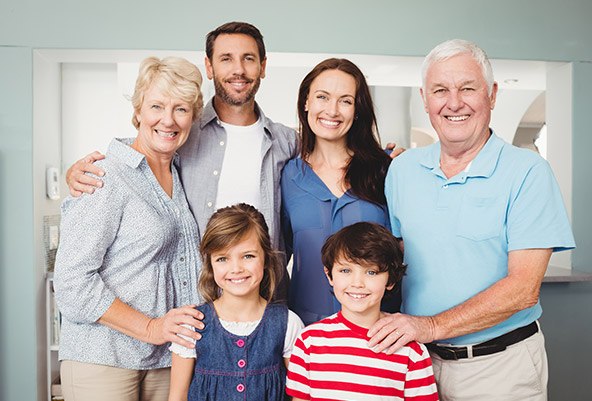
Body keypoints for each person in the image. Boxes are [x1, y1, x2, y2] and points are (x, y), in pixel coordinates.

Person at [368, 39, 576, 401]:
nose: (454, 103)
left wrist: (430, 326)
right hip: (417, 365)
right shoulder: (401, 171)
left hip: (500, 369)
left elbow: (523, 289)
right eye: (440, 90)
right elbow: (399, 260)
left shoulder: (528, 172)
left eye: (467, 88)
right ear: (424, 98)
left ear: (492, 94)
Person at [53, 57, 206, 401]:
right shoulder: (105, 176)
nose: (168, 119)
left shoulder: (181, 175)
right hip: (103, 356)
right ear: (138, 111)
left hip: (165, 358)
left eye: (181, 109)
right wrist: (151, 327)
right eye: (156, 106)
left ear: (193, 118)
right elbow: (72, 283)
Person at [281, 58, 397, 325]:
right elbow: (278, 255)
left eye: (345, 100)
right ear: (306, 102)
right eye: (322, 97)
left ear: (357, 110)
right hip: (307, 332)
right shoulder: (287, 176)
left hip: (378, 331)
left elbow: (404, 251)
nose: (332, 110)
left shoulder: (386, 170)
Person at [286, 222, 438, 401]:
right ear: (329, 275)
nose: (357, 283)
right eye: (345, 270)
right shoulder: (309, 341)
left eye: (371, 272)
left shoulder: (411, 351)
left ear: (390, 280)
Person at [168, 203, 304, 401]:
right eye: (222, 259)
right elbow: (177, 396)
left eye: (248, 256)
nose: (236, 268)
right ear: (210, 264)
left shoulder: (288, 324)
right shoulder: (191, 325)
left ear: (266, 259)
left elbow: (300, 395)